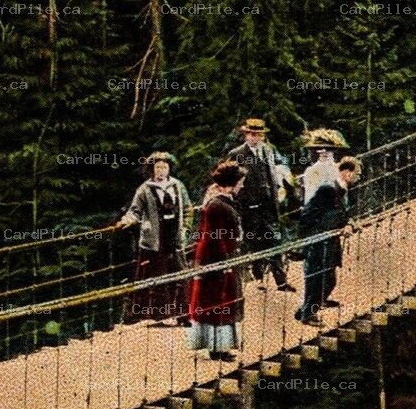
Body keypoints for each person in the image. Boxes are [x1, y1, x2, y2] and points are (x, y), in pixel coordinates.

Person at [116, 151, 192, 325]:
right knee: (158, 278)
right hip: (155, 241)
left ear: (169, 169)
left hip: (175, 238)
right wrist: (126, 221)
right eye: (158, 167)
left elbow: (188, 208)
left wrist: (186, 228)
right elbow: (135, 211)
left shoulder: (177, 186)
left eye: (164, 167)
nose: (161, 170)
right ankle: (161, 317)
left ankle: (183, 315)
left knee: (181, 276)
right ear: (152, 169)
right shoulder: (145, 189)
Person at [186, 160, 247, 362]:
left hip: (224, 258)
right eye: (240, 182)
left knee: (224, 302)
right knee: (218, 302)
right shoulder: (217, 205)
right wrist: (225, 263)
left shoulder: (224, 200)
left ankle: (221, 346)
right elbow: (215, 236)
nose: (242, 185)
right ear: (232, 182)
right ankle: (216, 348)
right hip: (217, 261)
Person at [226, 118, 295, 293]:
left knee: (275, 241)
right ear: (246, 135)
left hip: (269, 206)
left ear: (263, 136)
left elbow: (274, 175)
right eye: (251, 134)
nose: (255, 138)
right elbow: (228, 179)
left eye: (258, 135)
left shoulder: (268, 151)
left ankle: (281, 281)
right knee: (255, 242)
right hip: (249, 208)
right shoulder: (237, 154)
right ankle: (259, 279)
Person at [297, 155, 361, 325]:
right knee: (319, 278)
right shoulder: (328, 189)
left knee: (325, 278)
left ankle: (306, 309)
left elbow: (341, 215)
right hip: (320, 241)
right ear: (347, 172)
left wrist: (349, 224)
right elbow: (308, 214)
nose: (358, 178)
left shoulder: (342, 190)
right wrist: (313, 236)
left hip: (330, 240)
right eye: (357, 174)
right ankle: (308, 314)